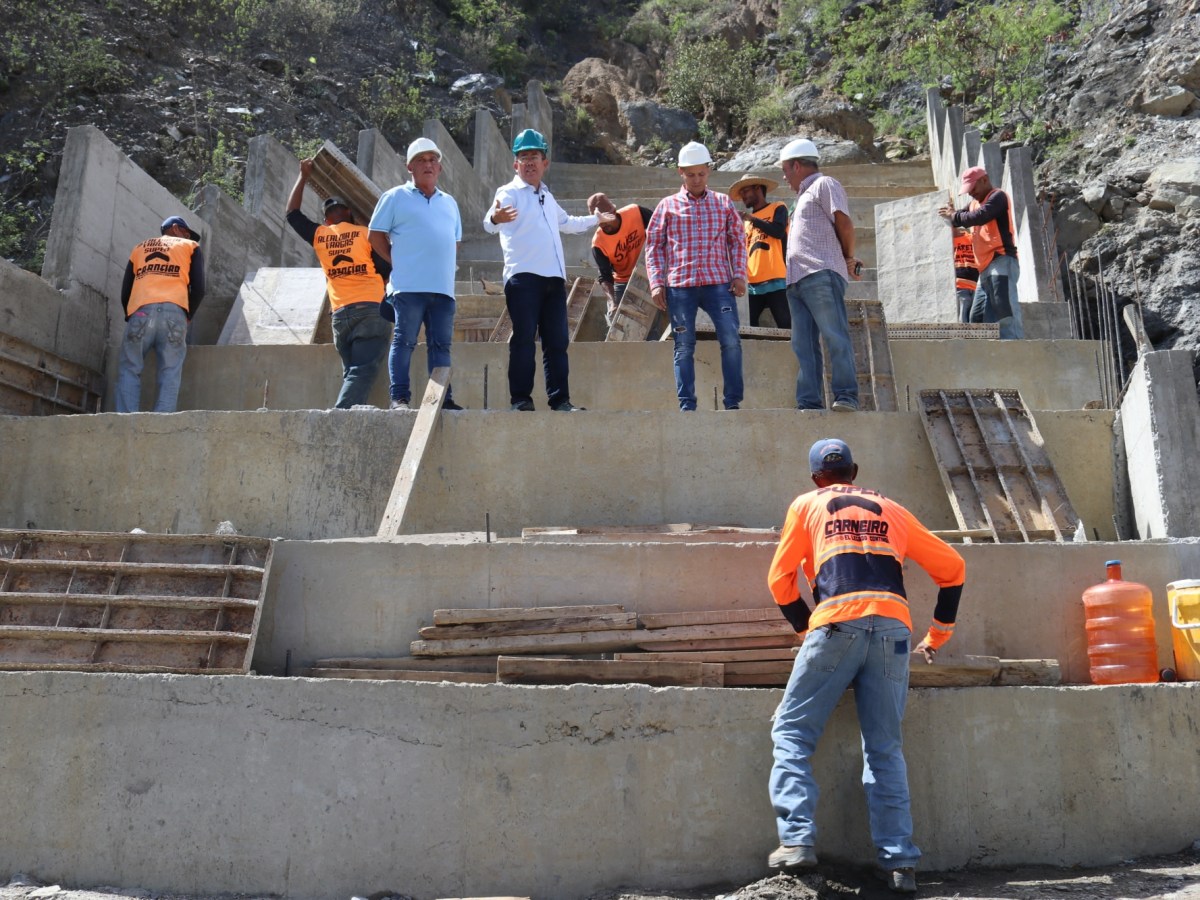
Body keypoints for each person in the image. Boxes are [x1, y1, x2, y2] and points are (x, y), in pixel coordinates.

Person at [766, 438, 966, 895]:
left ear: (817, 477)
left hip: (836, 623)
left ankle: (796, 842)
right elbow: (953, 568)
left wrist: (809, 632)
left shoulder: (808, 504)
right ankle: (900, 865)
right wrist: (936, 637)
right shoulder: (892, 509)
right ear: (854, 471)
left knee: (792, 732)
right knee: (884, 748)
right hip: (894, 630)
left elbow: (779, 581)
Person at [482, 128, 598, 412]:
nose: (529, 162)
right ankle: (521, 400)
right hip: (523, 279)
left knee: (557, 342)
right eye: (524, 157)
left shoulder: (547, 195)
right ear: (515, 164)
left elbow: (568, 223)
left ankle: (560, 400)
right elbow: (490, 219)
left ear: (545, 163)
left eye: (534, 156)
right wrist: (495, 217)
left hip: (553, 280)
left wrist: (597, 218)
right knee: (523, 338)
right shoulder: (509, 192)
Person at [645, 141, 747, 411]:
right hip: (681, 287)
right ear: (681, 172)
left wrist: (739, 275)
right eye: (691, 174)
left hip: (718, 284)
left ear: (708, 170)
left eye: (701, 173)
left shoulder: (723, 203)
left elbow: (738, 240)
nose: (697, 179)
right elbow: (654, 246)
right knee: (683, 346)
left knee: (731, 340)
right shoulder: (667, 206)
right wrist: (657, 283)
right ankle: (687, 405)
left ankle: (732, 402)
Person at [369, 137, 465, 410]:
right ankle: (399, 398)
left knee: (441, 346)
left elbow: (454, 241)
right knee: (405, 340)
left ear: (440, 168)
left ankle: (441, 400)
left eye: (433, 160)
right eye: (421, 160)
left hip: (443, 289)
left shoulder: (450, 203)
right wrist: (394, 259)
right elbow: (375, 235)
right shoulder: (395, 197)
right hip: (409, 287)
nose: (428, 165)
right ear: (409, 166)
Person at [287, 162, 392, 409]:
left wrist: (303, 176)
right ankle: (338, 416)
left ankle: (347, 423)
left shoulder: (320, 235)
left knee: (352, 375)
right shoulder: (365, 233)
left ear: (326, 219)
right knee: (360, 373)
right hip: (370, 310)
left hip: (340, 315)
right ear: (349, 213)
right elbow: (387, 268)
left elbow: (292, 213)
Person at [778, 138, 863, 412]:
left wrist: (848, 258)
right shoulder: (802, 197)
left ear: (796, 165)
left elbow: (845, 224)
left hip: (820, 274)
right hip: (797, 280)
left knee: (834, 335)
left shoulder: (824, 184)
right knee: (803, 345)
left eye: (785, 169)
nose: (783, 176)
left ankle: (846, 396)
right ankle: (809, 403)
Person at [115, 216, 206, 413]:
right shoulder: (190, 247)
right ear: (175, 228)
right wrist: (187, 315)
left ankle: (125, 421)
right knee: (170, 372)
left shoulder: (139, 248)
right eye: (186, 232)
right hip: (175, 313)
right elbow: (199, 289)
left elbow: (126, 291)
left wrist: (131, 315)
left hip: (140, 312)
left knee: (130, 368)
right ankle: (161, 424)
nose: (188, 236)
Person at [938, 166, 1024, 339]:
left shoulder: (997, 196)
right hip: (984, 268)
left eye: (973, 188)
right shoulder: (974, 204)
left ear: (984, 180)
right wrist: (950, 212)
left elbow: (978, 217)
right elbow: (958, 218)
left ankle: (1014, 347)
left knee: (1004, 309)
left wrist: (954, 215)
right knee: (977, 317)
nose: (971, 193)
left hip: (1001, 260)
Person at [729, 173, 791, 329]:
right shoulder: (746, 222)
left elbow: (777, 231)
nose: (743, 196)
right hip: (752, 285)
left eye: (745, 191)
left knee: (786, 326)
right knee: (748, 328)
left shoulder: (778, 207)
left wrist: (752, 219)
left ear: (757, 188)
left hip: (777, 280)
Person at [588, 194, 653, 325]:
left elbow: (660, 227)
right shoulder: (598, 243)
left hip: (649, 274)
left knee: (653, 319)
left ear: (614, 212)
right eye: (599, 221)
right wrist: (613, 303)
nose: (603, 224)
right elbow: (605, 276)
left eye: (606, 219)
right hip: (622, 281)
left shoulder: (634, 212)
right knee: (615, 321)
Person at [952, 227, 979, 324]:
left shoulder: (973, 238)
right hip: (961, 283)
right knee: (964, 318)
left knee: (972, 317)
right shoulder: (950, 240)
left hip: (975, 284)